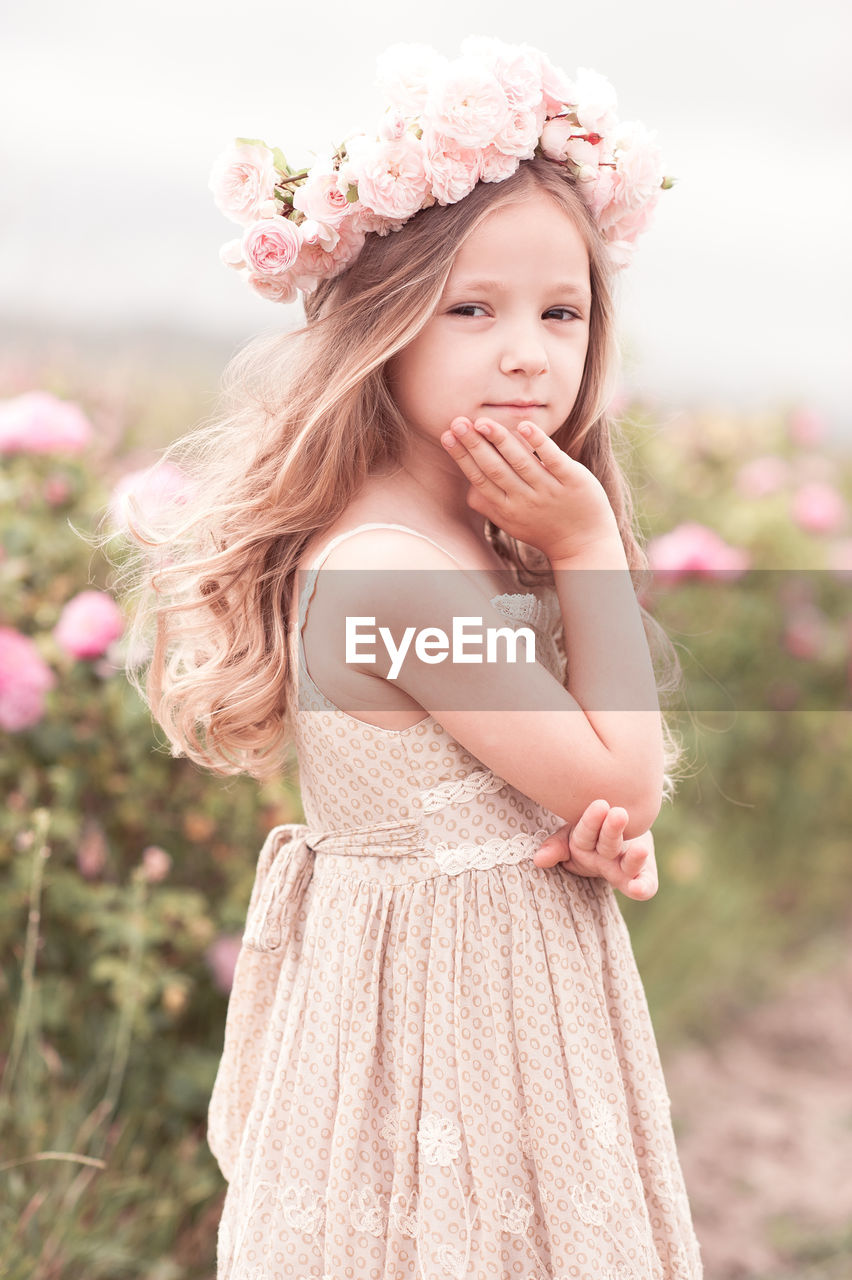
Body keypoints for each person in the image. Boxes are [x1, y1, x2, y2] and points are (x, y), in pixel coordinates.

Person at [118, 37, 702, 1279]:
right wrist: (590, 542)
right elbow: (630, 770)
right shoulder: (390, 567)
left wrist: (584, 829)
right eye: (473, 308)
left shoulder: (462, 531)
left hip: (502, 999)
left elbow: (584, 778)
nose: (529, 353)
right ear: (384, 325)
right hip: (443, 1032)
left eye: (563, 312)